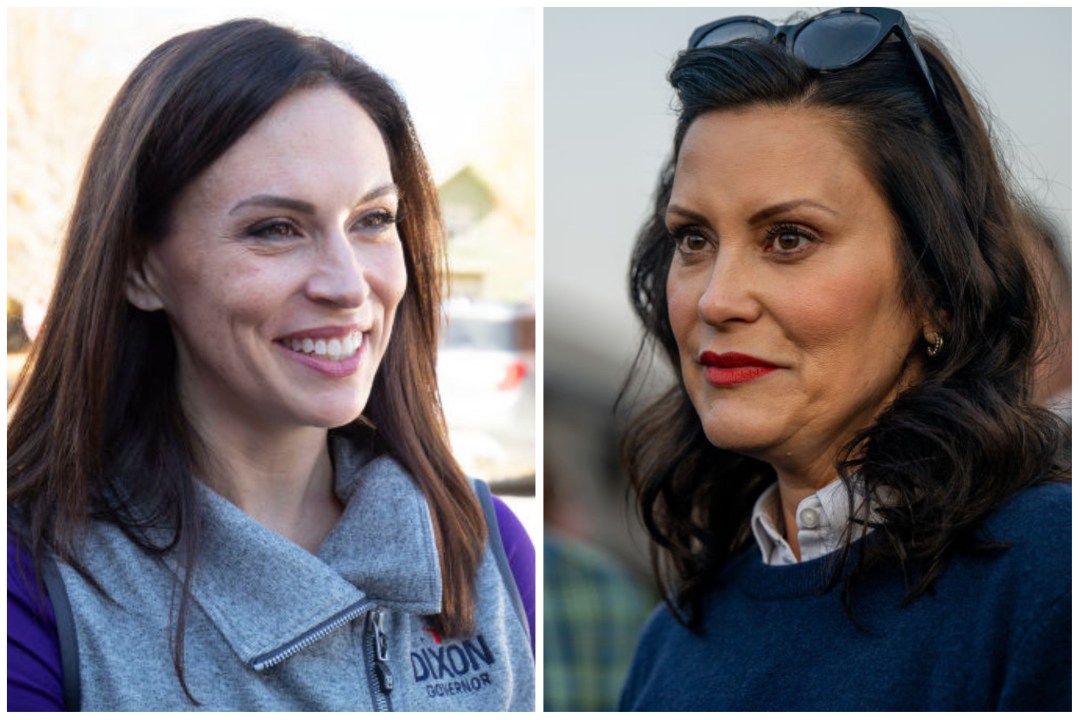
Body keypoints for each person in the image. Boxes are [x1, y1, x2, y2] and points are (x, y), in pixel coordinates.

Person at [7, 18, 534, 711]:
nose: (348, 285)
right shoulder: (33, 579)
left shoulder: (488, 546)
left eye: (373, 220)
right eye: (275, 230)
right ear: (139, 267)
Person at [618, 7, 1070, 711]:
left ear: (937, 294)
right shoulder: (675, 638)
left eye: (789, 238)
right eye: (694, 239)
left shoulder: (1049, 575)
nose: (717, 299)